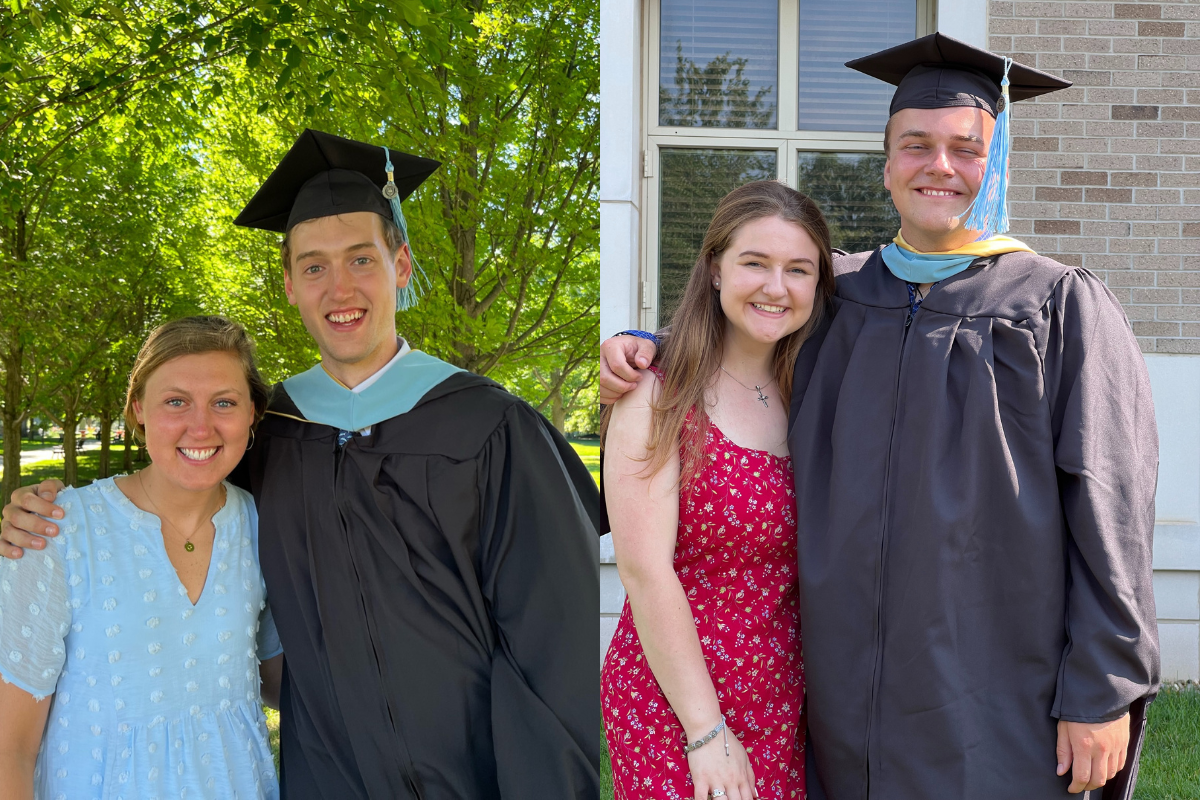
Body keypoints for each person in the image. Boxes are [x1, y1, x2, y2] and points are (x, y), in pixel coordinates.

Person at [598, 33, 1159, 800]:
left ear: (993, 163)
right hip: (842, 700)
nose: (941, 166)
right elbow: (744, 328)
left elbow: (1112, 507)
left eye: (967, 148)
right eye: (917, 144)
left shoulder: (1057, 306)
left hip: (998, 691)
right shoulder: (840, 297)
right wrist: (646, 348)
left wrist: (1103, 686)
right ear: (887, 162)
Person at [2, 129, 603, 799]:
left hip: (469, 776)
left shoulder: (490, 426)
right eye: (314, 265)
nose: (338, 286)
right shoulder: (274, 431)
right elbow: (173, 497)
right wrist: (34, 513)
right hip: (325, 779)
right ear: (289, 284)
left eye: (360, 260)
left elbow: (551, 648)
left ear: (401, 267)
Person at [603, 181, 834, 800]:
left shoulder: (814, 395)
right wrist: (706, 732)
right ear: (713, 270)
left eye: (798, 269)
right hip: (676, 700)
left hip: (784, 696)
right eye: (754, 262)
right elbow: (644, 570)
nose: (775, 286)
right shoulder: (657, 395)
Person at [0, 316, 284, 800]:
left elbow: (286, 686)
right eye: (176, 401)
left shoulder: (267, 526)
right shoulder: (56, 529)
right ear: (138, 410)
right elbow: (11, 747)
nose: (201, 425)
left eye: (224, 402)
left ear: (252, 413)